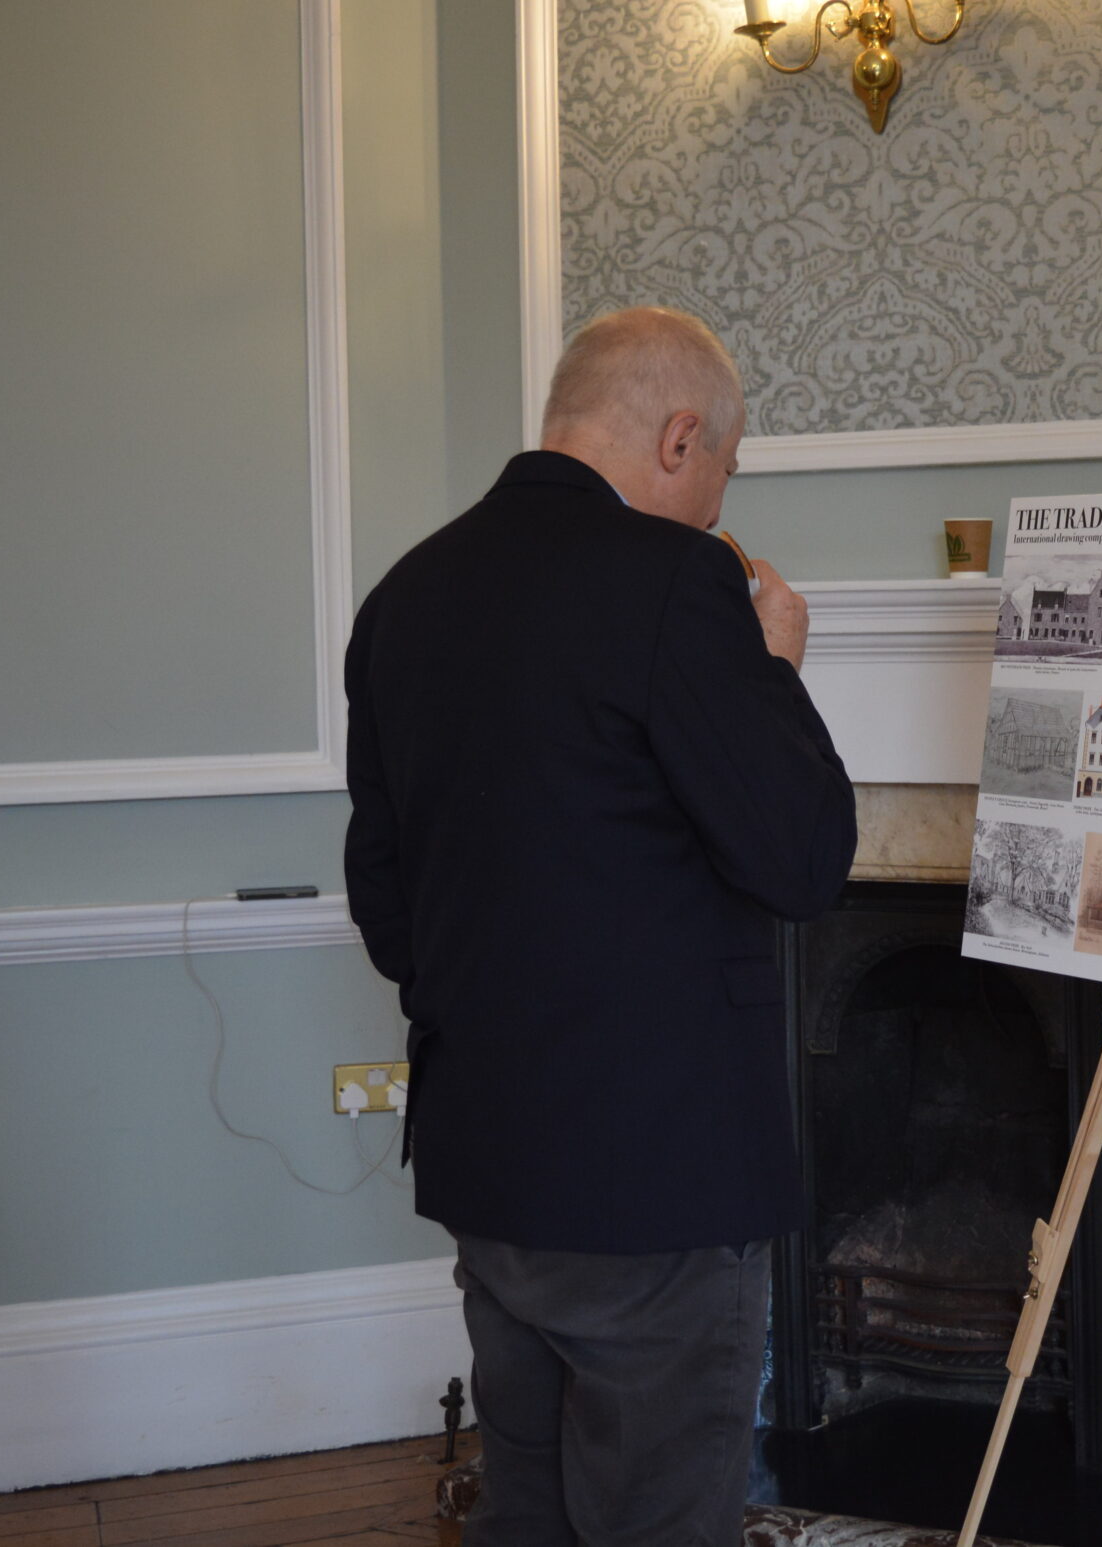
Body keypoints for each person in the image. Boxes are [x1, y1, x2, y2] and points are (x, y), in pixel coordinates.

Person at [343, 307, 858, 1546]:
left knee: (529, 1514)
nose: (719, 501)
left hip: (487, 1163)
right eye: (725, 466)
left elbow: (386, 902)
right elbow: (802, 860)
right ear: (681, 437)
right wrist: (774, 671)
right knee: (659, 1519)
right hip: (657, 1186)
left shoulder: (404, 595)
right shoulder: (677, 582)